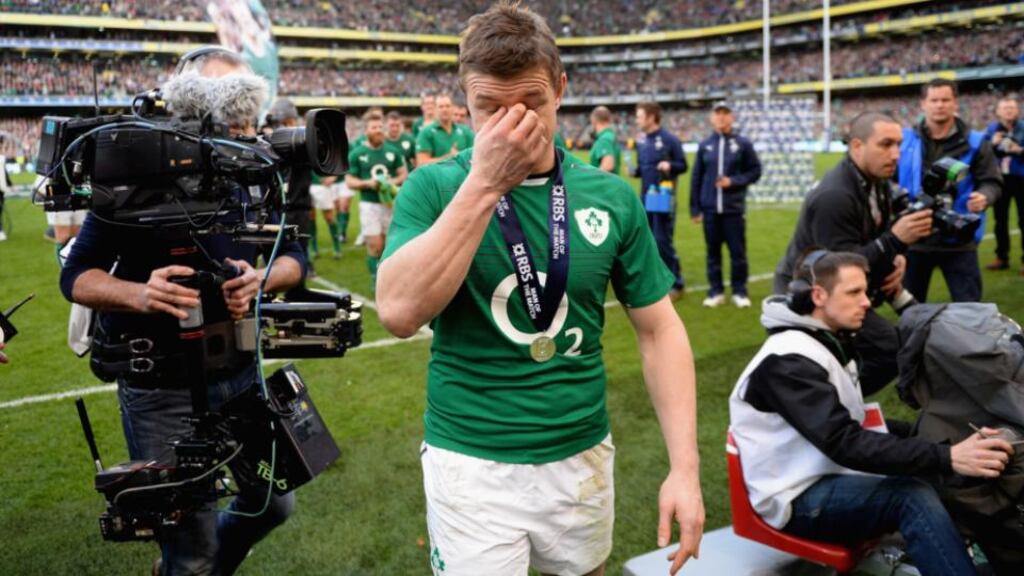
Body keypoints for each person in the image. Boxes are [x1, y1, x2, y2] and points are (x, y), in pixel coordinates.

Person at [377, 4, 704, 575]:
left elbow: (659, 331)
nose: (511, 126)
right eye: (489, 109)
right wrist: (485, 182)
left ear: (560, 88)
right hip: (471, 458)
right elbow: (400, 312)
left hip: (579, 455)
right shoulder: (433, 187)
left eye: (530, 104)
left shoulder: (609, 196)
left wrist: (685, 469)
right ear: (465, 102)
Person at [59, 48, 306, 576]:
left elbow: (294, 256)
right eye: (220, 97)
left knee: (273, 502)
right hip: (162, 386)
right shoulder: (137, 180)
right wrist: (140, 294)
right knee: (189, 550)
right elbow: (75, 276)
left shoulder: (255, 171)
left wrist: (262, 279)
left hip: (241, 372)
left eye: (243, 96)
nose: (236, 111)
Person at [731, 250, 1014, 576]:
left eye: (865, 291)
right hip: (795, 497)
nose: (866, 302)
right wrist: (948, 456)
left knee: (931, 471)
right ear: (819, 296)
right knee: (911, 497)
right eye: (854, 293)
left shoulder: (824, 340)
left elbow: (856, 422)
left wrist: (950, 441)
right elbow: (846, 443)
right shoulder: (787, 361)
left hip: (825, 474)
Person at [775, 112, 935, 391]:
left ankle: (838, 402)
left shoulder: (875, 181)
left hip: (829, 285)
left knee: (888, 346)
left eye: (898, 144)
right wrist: (895, 241)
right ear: (857, 146)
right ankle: (834, 402)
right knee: (888, 348)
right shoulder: (835, 196)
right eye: (886, 145)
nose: (896, 154)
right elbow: (841, 269)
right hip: (808, 293)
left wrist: (897, 259)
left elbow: (872, 237)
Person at [897, 79, 1002, 303]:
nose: (940, 105)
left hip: (959, 237)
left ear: (955, 103)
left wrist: (984, 196)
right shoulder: (904, 139)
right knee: (911, 312)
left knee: (969, 310)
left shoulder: (975, 142)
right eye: (934, 100)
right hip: (914, 236)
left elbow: (992, 181)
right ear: (923, 104)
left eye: (945, 99)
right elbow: (888, 178)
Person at [689, 102, 762, 309]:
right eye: (718, 113)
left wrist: (734, 181)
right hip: (710, 210)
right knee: (712, 253)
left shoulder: (742, 144)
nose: (721, 117)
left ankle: (740, 291)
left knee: (737, 252)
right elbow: (696, 178)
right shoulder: (705, 145)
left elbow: (755, 171)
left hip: (733, 209)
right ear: (712, 118)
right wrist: (695, 208)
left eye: (725, 114)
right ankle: (716, 291)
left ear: (732, 117)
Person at [345, 110, 408, 294]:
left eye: (381, 127)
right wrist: (368, 183)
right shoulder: (357, 154)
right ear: (366, 130)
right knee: (375, 246)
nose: (379, 130)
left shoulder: (393, 152)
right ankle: (376, 281)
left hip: (390, 204)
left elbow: (402, 174)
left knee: (391, 245)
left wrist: (389, 184)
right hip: (369, 205)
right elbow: (350, 181)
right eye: (374, 127)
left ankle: (391, 278)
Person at [634, 100, 687, 299]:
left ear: (651, 117)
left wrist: (669, 165)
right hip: (646, 197)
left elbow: (683, 165)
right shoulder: (641, 140)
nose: (637, 120)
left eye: (639, 116)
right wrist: (637, 171)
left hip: (665, 198)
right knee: (648, 241)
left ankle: (677, 283)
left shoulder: (669, 139)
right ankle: (656, 279)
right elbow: (644, 168)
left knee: (663, 240)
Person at [984, 95, 1024, 274]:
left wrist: (1020, 150)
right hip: (1001, 179)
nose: (1009, 111)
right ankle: (1002, 257)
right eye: (1005, 108)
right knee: (1000, 221)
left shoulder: (1023, 128)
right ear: (998, 111)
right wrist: (992, 144)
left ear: (1018, 110)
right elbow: (983, 154)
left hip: (1021, 179)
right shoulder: (991, 130)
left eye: (1012, 108)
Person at [416, 94, 475, 166]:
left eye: (448, 106)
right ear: (435, 109)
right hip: (437, 176)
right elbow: (422, 163)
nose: (445, 109)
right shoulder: (425, 133)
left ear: (453, 108)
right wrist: (448, 157)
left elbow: (474, 158)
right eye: (441, 107)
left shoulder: (466, 132)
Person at [588, 105, 621, 175]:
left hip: (604, 185)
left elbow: (608, 165)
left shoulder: (604, 139)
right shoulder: (610, 135)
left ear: (593, 119)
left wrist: (590, 179)